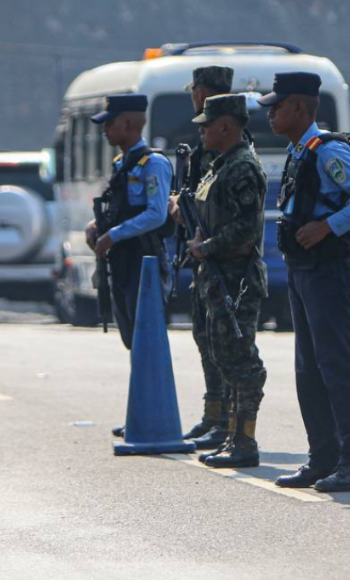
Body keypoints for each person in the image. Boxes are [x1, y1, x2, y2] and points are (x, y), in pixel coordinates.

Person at [258, 72, 350, 493]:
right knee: (308, 370)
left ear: (302, 108)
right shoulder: (299, 151)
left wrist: (329, 226)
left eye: (278, 105)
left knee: (336, 367)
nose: (270, 113)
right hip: (303, 271)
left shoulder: (329, 151)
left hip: (327, 270)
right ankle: (323, 459)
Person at [185, 94, 269, 468]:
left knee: (240, 358)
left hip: (237, 279)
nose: (201, 130)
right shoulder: (219, 166)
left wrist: (208, 247)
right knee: (220, 353)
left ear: (225, 126)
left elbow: (246, 230)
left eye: (207, 124)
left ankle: (245, 440)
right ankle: (232, 434)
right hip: (215, 276)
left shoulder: (242, 168)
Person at [85, 95, 172, 437]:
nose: (105, 129)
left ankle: (154, 415)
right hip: (121, 264)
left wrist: (115, 235)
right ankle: (141, 410)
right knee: (132, 339)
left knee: (146, 338)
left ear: (131, 124)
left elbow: (156, 213)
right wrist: (99, 229)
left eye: (110, 122)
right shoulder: (123, 163)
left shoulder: (153, 164)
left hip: (144, 263)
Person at [176, 66, 236, 450]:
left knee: (227, 344)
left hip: (225, 261)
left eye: (195, 90)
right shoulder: (206, 146)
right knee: (206, 337)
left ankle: (229, 421)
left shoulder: (229, 145)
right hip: (204, 256)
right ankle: (214, 414)